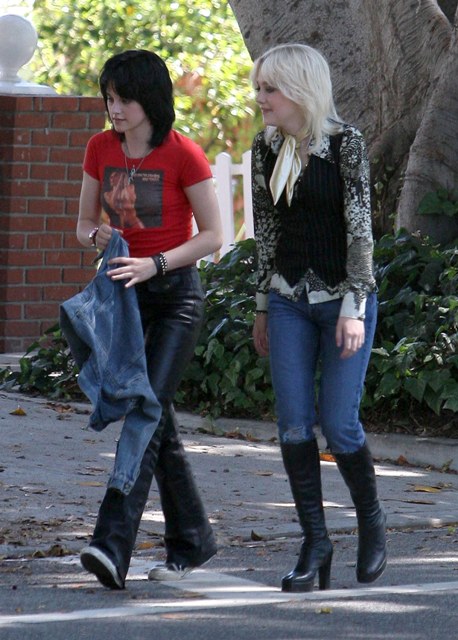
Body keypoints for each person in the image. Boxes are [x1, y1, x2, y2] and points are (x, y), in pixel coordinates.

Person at [76, 49, 223, 590]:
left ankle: (111, 543)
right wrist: (98, 237)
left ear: (151, 99)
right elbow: (83, 224)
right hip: (125, 300)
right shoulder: (99, 148)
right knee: (158, 422)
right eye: (110, 99)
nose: (115, 109)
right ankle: (193, 539)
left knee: (143, 414)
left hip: (175, 299)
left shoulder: (183, 154)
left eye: (125, 99)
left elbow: (214, 236)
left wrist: (154, 263)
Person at [250, 43, 386, 593]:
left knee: (339, 422)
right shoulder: (265, 147)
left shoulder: (345, 144)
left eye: (270, 89)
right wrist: (262, 306)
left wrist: (354, 309)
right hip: (287, 300)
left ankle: (372, 521)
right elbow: (266, 233)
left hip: (343, 301)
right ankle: (316, 543)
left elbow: (361, 231)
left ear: (300, 90)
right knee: (292, 423)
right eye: (259, 88)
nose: (261, 98)